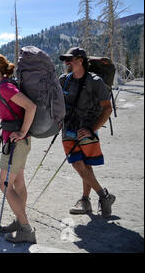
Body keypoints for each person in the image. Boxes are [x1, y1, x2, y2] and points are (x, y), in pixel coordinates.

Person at [0, 53, 37, 243]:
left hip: (16, 142)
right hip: (18, 142)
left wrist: (22, 131)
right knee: (18, 183)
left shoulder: (5, 87)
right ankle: (19, 220)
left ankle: (26, 229)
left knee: (4, 185)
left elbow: (31, 107)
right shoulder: (5, 85)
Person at [59, 47, 116, 218]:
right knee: (78, 164)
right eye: (66, 59)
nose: (67, 62)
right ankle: (103, 196)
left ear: (81, 60)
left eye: (71, 59)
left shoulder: (95, 81)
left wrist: (92, 129)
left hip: (86, 129)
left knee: (86, 165)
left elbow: (107, 108)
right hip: (67, 129)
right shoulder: (64, 80)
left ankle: (86, 200)